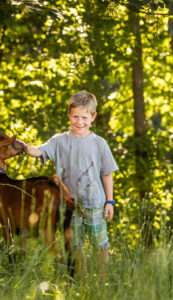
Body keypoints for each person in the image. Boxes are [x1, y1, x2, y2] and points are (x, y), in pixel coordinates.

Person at [21, 90, 118, 279]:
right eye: (75, 116)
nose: (79, 122)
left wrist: (110, 201)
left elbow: (107, 174)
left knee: (100, 243)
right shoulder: (59, 141)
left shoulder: (100, 144)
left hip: (95, 203)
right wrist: (25, 148)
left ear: (93, 117)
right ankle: (81, 279)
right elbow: (38, 151)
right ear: (69, 115)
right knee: (75, 244)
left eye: (84, 117)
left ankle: (103, 280)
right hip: (69, 206)